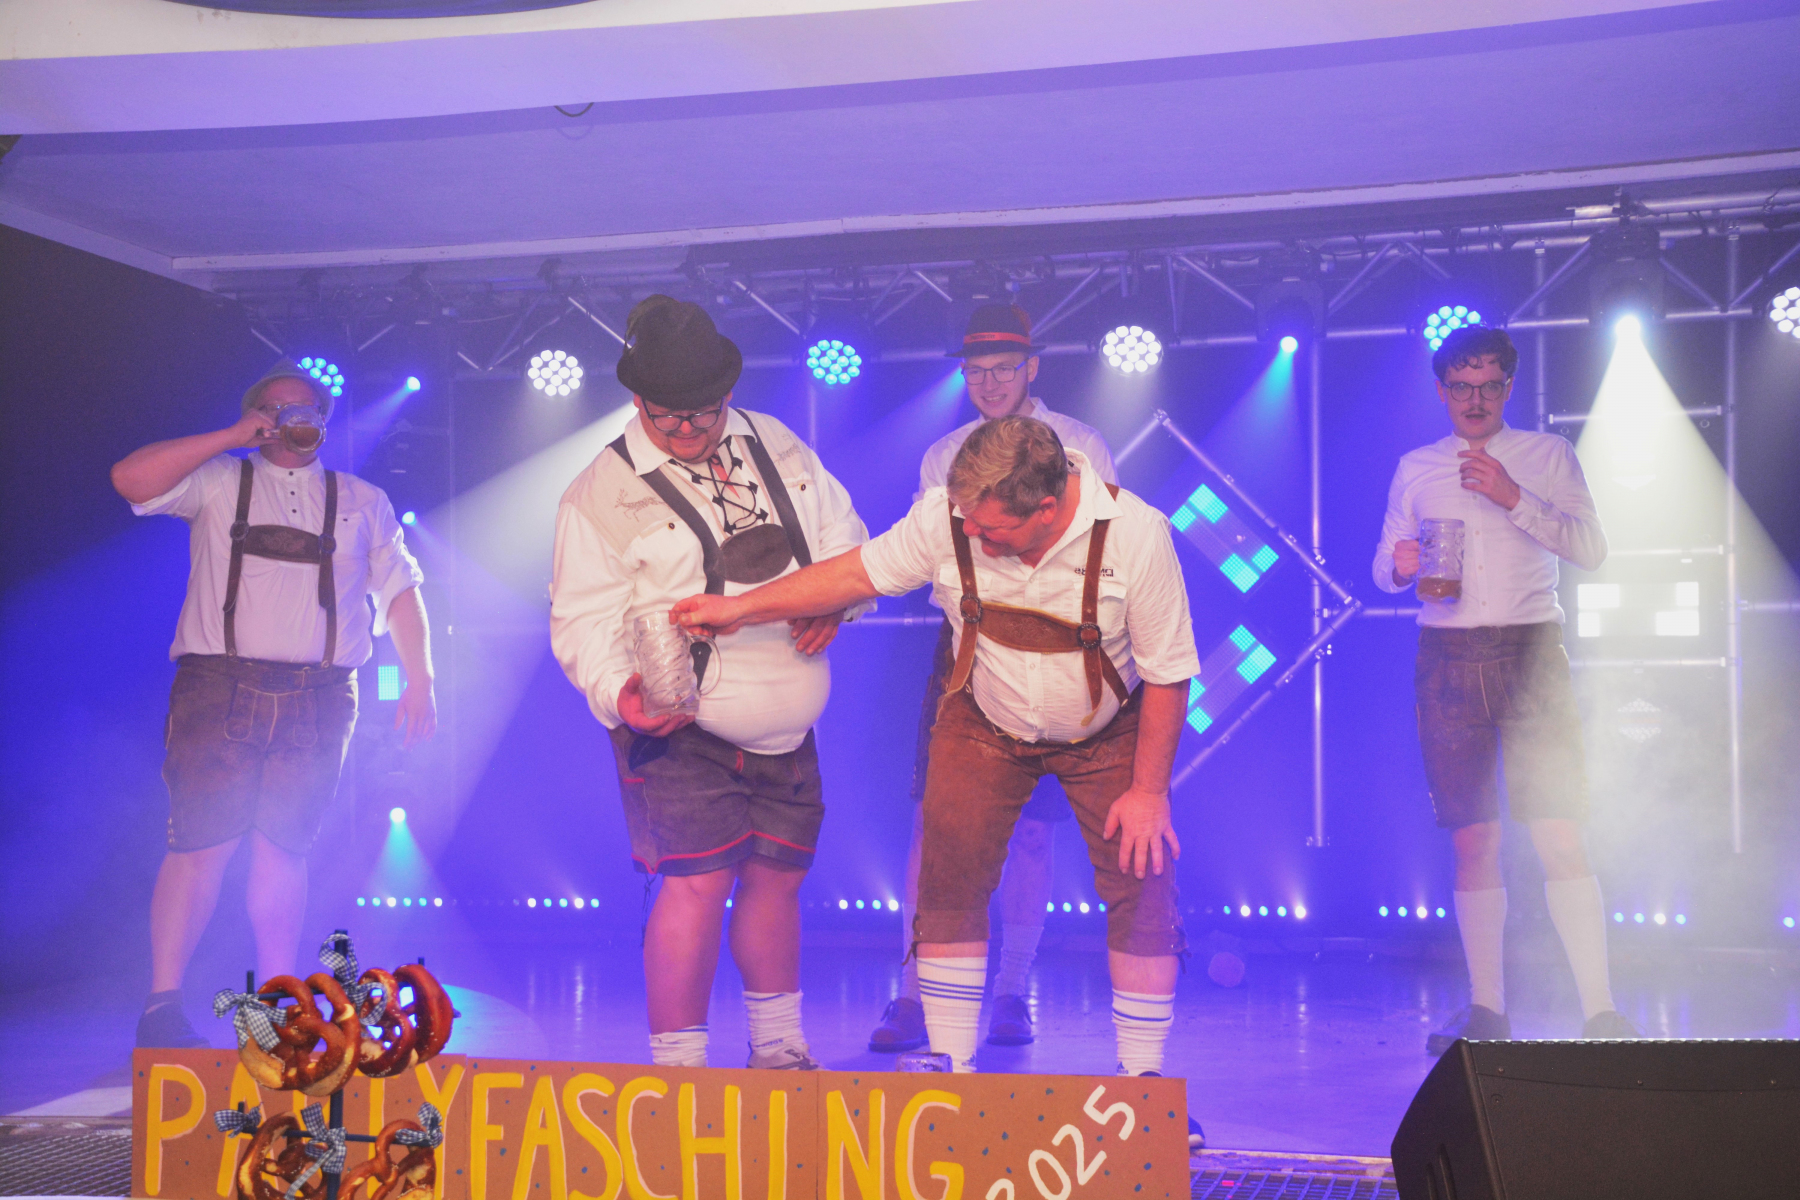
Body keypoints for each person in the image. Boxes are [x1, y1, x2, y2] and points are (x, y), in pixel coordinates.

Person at [674, 416, 1199, 1077]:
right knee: (948, 874)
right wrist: (736, 609)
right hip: (984, 719)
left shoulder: (1138, 534)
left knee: (1142, 877)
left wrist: (1149, 792)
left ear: (1046, 508)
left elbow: (1168, 672)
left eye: (990, 528)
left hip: (1108, 729)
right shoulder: (948, 519)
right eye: (965, 519)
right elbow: (853, 576)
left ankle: (1143, 1080)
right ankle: (952, 1065)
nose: (971, 533)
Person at [549, 296, 870, 1070]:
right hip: (682, 725)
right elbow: (581, 621)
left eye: (705, 411)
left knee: (777, 877)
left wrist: (838, 601)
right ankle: (679, 1074)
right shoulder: (599, 493)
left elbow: (847, 541)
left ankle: (780, 1051)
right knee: (696, 883)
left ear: (728, 392)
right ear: (637, 401)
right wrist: (620, 695)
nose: (690, 428)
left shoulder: (777, 441)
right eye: (670, 416)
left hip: (789, 718)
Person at [112, 360, 436, 1048]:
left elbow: (401, 592)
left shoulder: (361, 499)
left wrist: (422, 678)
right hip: (217, 686)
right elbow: (129, 479)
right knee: (200, 844)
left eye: (307, 406)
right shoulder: (218, 480)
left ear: (324, 421)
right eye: (277, 407)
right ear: (257, 416)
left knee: (285, 847)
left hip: (320, 697)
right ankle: (161, 1007)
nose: (295, 416)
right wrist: (231, 436)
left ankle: (280, 1007)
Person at [1372, 324, 1639, 1052]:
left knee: (1558, 829)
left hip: (1530, 654)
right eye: (1462, 387)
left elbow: (1591, 549)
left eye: (1489, 385)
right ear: (1441, 392)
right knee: (1473, 837)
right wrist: (1398, 565)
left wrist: (1513, 495)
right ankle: (1487, 1011)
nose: (1475, 399)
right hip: (1447, 656)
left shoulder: (1547, 455)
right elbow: (1383, 566)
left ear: (1509, 387)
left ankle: (1601, 1013)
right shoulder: (1416, 466)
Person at [871, 303, 1121, 1054]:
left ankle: (1012, 989)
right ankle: (912, 994)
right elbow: (933, 558)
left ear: (1032, 368)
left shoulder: (1080, 445)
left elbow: (1101, 550)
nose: (990, 383)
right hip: (968, 646)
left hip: (1055, 649)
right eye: (976, 371)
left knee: (1034, 835)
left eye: (1004, 368)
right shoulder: (942, 455)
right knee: (934, 823)